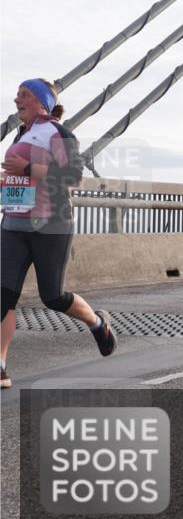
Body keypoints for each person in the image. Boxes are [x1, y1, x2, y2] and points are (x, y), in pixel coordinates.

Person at [1, 79, 118, 389]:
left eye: (23, 95)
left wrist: (26, 168)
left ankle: (97, 323)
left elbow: (72, 176)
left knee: (52, 296)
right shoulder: (21, 133)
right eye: (16, 95)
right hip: (13, 223)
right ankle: (0, 366)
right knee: (3, 296)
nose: (17, 99)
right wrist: (8, 182)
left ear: (42, 102)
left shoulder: (59, 133)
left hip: (50, 224)